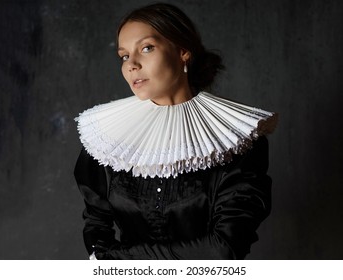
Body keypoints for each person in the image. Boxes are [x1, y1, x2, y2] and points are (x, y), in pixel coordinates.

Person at [74, 2, 277, 260]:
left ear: (183, 51)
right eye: (125, 55)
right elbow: (96, 227)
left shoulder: (236, 140)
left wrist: (116, 261)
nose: (131, 64)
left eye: (146, 48)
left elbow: (224, 249)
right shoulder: (106, 137)